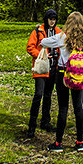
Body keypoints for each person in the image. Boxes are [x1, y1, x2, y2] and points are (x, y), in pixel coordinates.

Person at [39, 11, 83, 151]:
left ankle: (58, 143)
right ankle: (79, 142)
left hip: (63, 73)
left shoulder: (63, 37)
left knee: (63, 108)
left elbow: (44, 42)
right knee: (78, 107)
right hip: (79, 74)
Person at [26, 8, 61, 139]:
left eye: (54, 19)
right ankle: (32, 125)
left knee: (48, 96)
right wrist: (42, 55)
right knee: (38, 95)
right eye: (50, 19)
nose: (52, 21)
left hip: (53, 68)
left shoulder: (58, 32)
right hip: (41, 67)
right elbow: (30, 47)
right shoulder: (38, 31)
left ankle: (45, 122)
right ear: (46, 19)